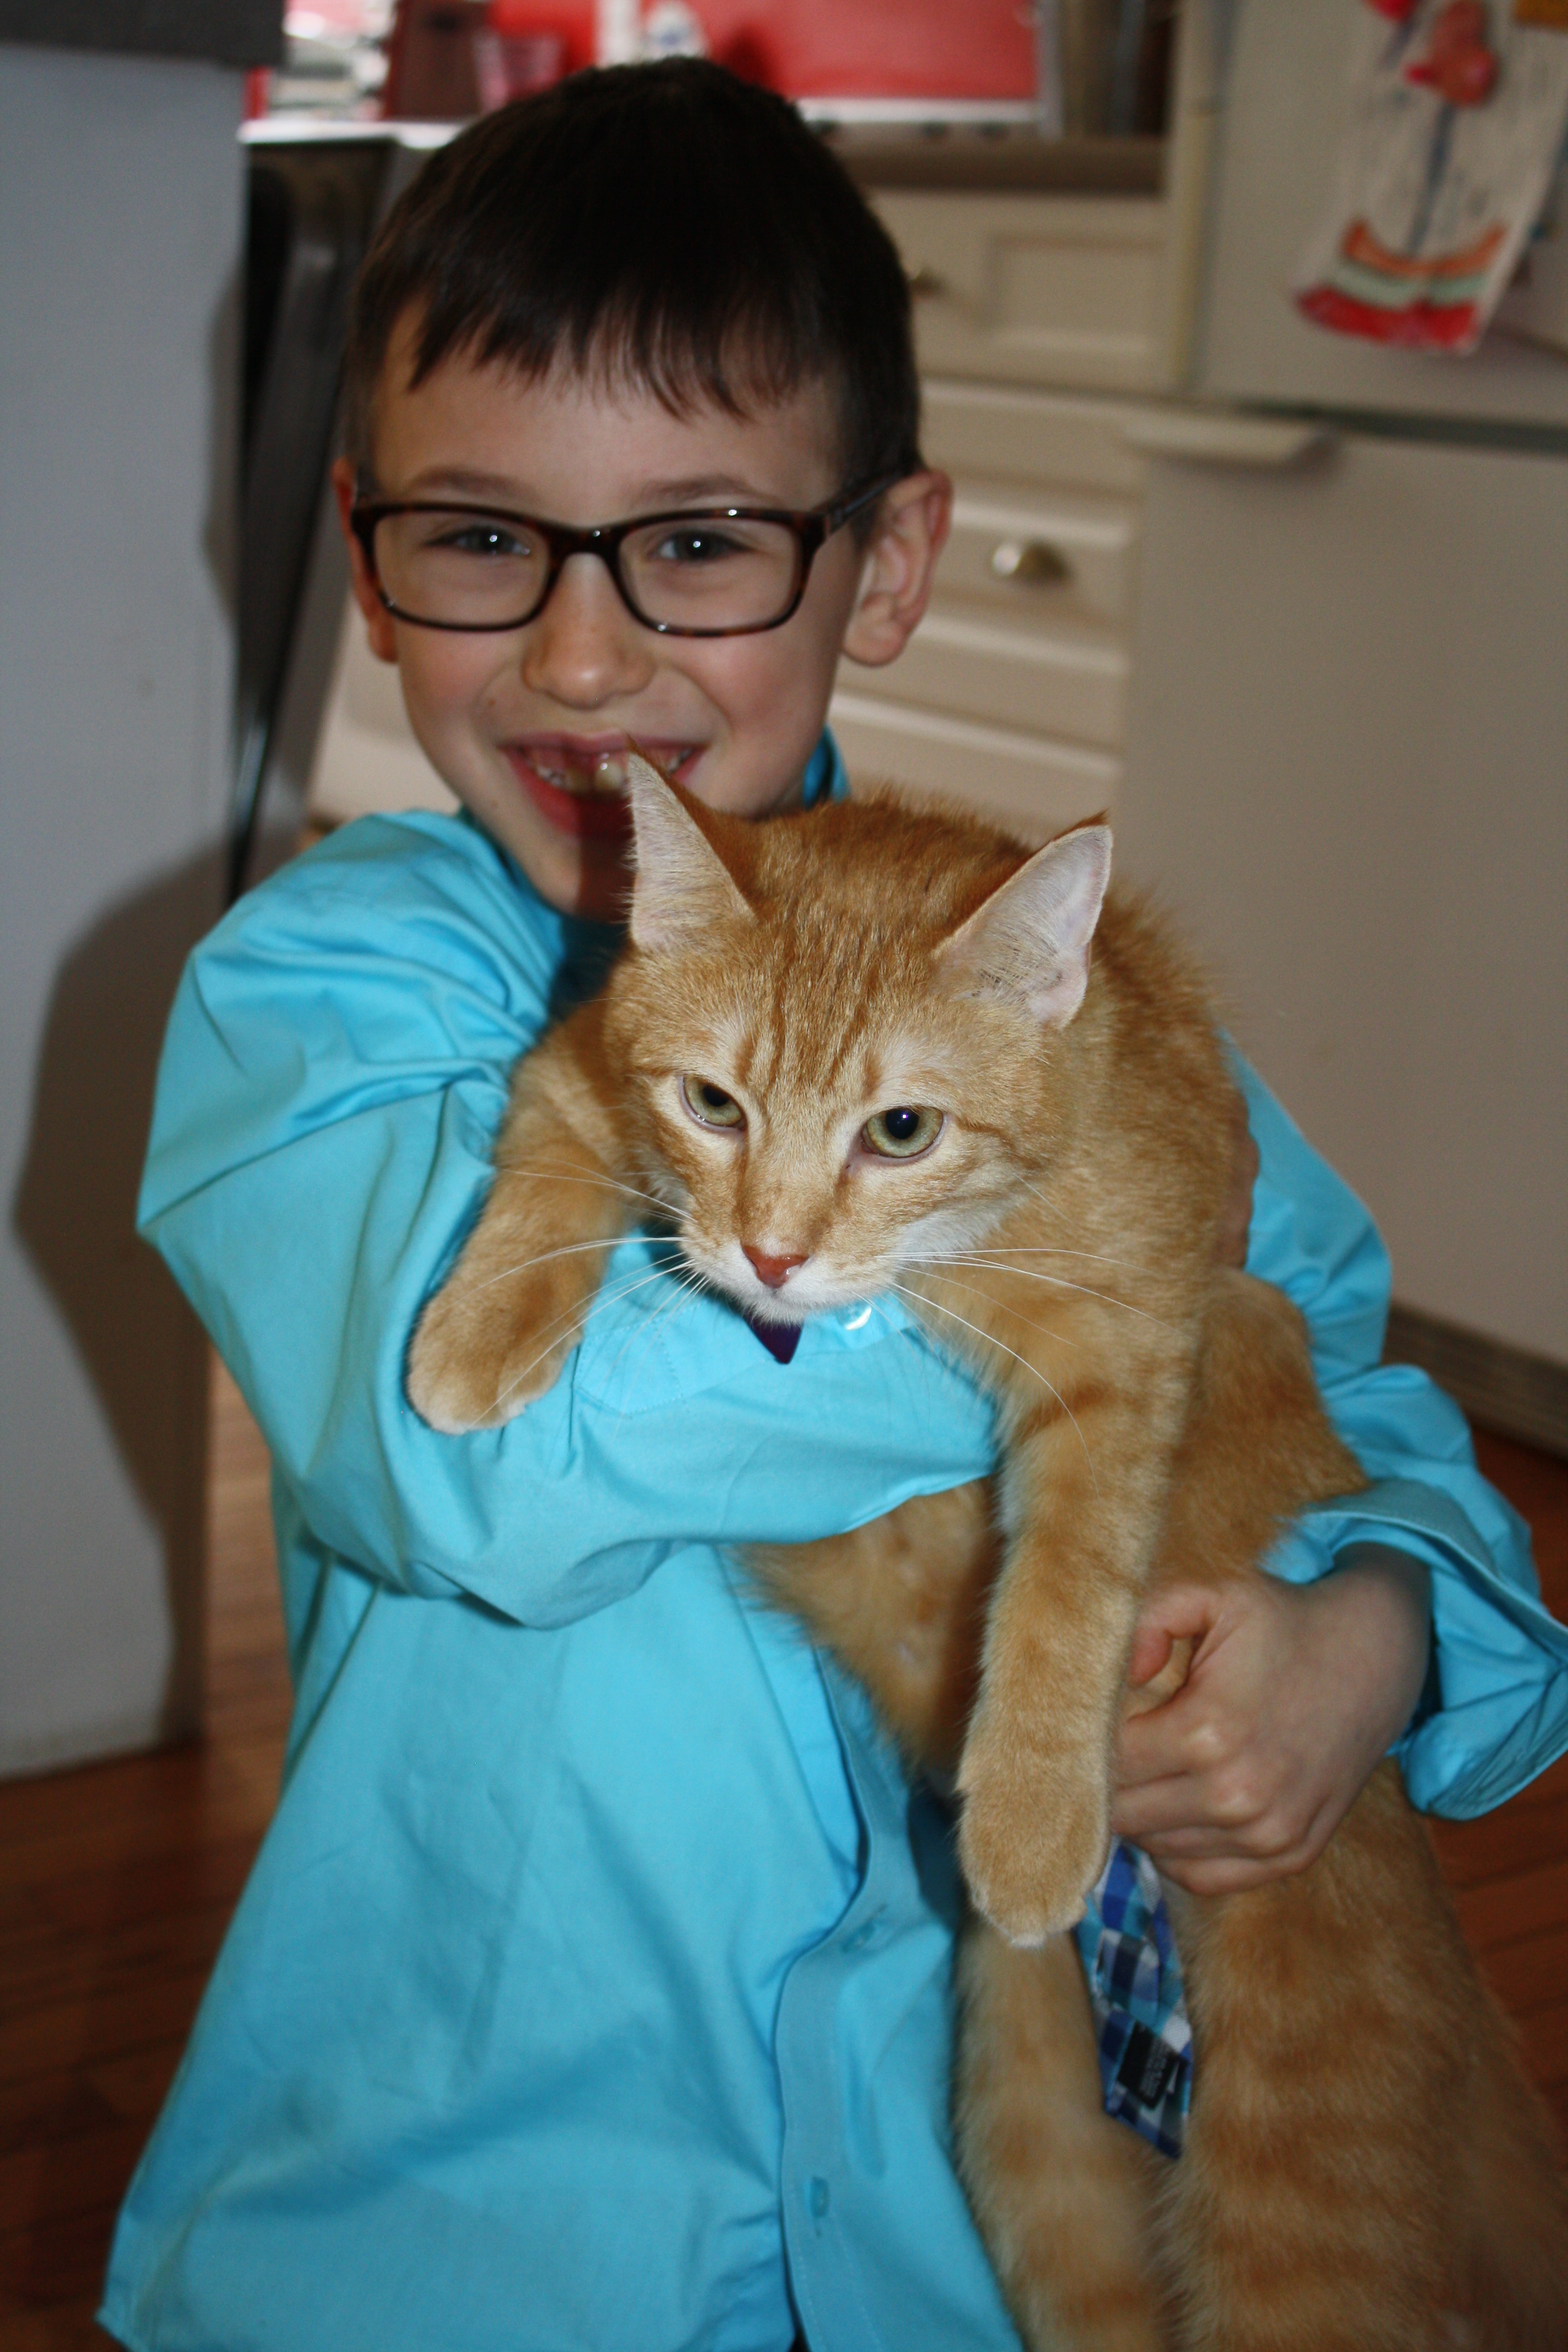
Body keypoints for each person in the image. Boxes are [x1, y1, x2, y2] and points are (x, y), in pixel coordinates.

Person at [101, 60, 1568, 2352]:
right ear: (363, 556)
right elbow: (477, 1459)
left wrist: (1373, 1636)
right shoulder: (318, 998)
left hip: (945, 2231)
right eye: (482, 539)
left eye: (697, 544)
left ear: (885, 565)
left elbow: (1366, 1394)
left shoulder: (1053, 1005)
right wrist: (1094, 1286)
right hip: (467, 2220)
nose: (585, 660)